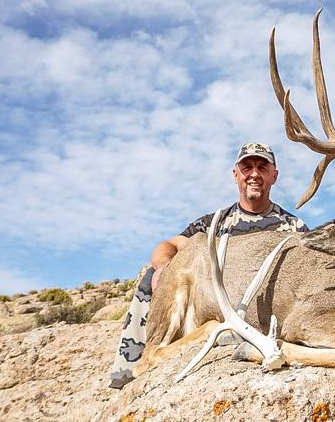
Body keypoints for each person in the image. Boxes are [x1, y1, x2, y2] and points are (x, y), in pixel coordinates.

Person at [109, 142, 308, 389]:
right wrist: (164, 267)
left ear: (274, 175)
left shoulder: (293, 228)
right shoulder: (214, 223)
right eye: (247, 167)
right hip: (212, 303)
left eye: (262, 167)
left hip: (265, 308)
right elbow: (168, 246)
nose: (254, 174)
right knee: (152, 276)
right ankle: (130, 369)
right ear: (236, 175)